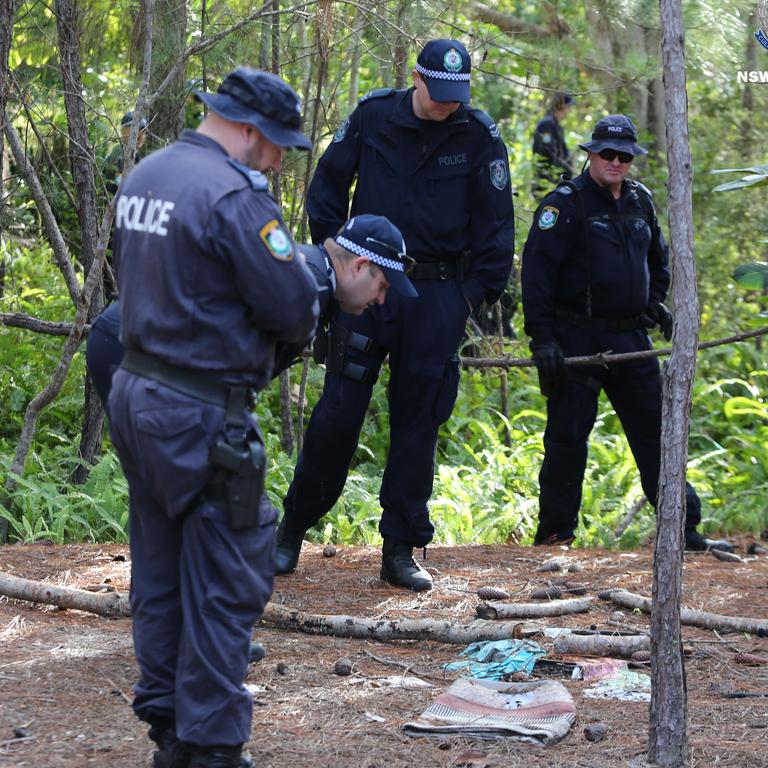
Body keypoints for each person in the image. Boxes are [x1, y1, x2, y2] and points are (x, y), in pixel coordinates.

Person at [107, 67, 320, 768]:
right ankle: (212, 745)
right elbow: (293, 305)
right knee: (228, 573)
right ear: (250, 131)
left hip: (136, 390)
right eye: (279, 144)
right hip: (199, 408)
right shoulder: (232, 197)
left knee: (160, 567)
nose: (280, 159)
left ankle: (169, 726)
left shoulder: (146, 175)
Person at [275, 39, 515, 591]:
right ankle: (290, 531)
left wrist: (467, 298)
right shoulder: (373, 116)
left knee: (417, 425)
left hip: (435, 298)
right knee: (336, 414)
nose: (448, 104)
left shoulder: (479, 136)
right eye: (439, 92)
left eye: (458, 95)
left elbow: (497, 227)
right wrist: (339, 267)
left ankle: (401, 548)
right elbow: (327, 189)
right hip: (365, 290)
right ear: (415, 77)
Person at [520, 114, 733, 553]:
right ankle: (556, 534)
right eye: (607, 154)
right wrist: (542, 339)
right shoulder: (564, 204)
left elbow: (660, 258)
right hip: (576, 338)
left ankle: (683, 530)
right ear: (592, 154)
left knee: (656, 433)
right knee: (567, 438)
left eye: (625, 156)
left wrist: (654, 302)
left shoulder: (641, 201)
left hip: (631, 341)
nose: (616, 162)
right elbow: (537, 276)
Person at [87, 214, 414, 405]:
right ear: (360, 266)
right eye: (383, 286)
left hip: (124, 332)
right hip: (139, 350)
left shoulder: (308, 264)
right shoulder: (309, 291)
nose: (382, 300)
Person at [531, 92, 574, 201]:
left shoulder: (555, 124)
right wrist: (561, 168)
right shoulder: (547, 124)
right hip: (547, 179)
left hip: (554, 179)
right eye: (569, 107)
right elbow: (547, 149)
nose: (570, 110)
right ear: (563, 106)